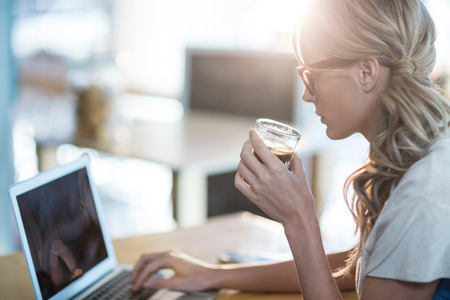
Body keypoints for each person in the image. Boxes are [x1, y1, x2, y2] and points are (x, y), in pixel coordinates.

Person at [130, 0, 450, 298]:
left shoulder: (421, 196)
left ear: (366, 72)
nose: (306, 96)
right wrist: (213, 275)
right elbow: (362, 266)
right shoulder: (420, 156)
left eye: (313, 75)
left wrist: (298, 219)